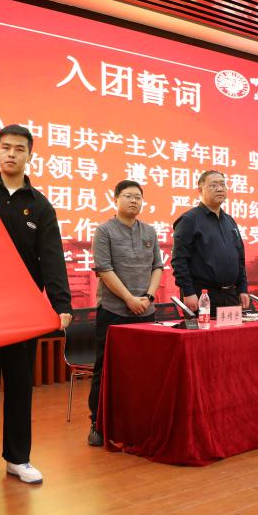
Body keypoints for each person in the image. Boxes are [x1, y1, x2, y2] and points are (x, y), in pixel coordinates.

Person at [0, 124, 72, 490]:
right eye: (5, 147)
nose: (11, 154)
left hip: (24, 313)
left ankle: (18, 459)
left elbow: (52, 259)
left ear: (30, 155)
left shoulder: (40, 206)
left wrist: (62, 304)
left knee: (20, 388)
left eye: (19, 149)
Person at [86, 180, 162, 447]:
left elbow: (157, 267)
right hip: (113, 311)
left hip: (145, 310)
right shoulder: (104, 230)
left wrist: (148, 298)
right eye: (128, 196)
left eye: (138, 197)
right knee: (105, 369)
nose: (134, 201)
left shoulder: (149, 231)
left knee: (143, 371)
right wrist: (129, 299)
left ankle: (139, 423)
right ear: (116, 199)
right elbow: (104, 269)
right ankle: (97, 423)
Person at [171, 170, 250, 312]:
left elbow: (239, 258)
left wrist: (242, 288)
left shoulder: (230, 221)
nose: (219, 189)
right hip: (202, 296)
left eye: (222, 184)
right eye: (213, 185)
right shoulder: (189, 220)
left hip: (231, 296)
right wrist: (188, 292)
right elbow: (179, 260)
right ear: (200, 190)